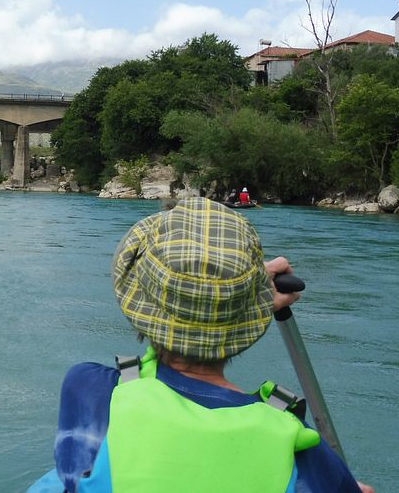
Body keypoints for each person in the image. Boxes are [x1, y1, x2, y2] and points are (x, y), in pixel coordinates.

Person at [29, 197, 373, 493]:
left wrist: (240, 298)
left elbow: (143, 385)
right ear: (247, 321)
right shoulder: (297, 442)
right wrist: (238, 297)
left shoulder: (90, 389)